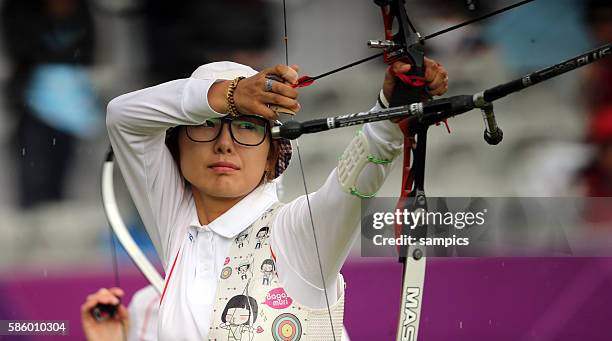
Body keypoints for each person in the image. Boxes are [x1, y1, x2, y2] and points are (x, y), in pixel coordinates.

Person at [106, 60, 448, 339]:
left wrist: (389, 118)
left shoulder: (293, 233)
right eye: (206, 124)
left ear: (272, 158)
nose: (225, 144)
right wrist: (230, 95)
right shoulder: (177, 222)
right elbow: (123, 117)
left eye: (248, 128)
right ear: (177, 148)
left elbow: (349, 187)